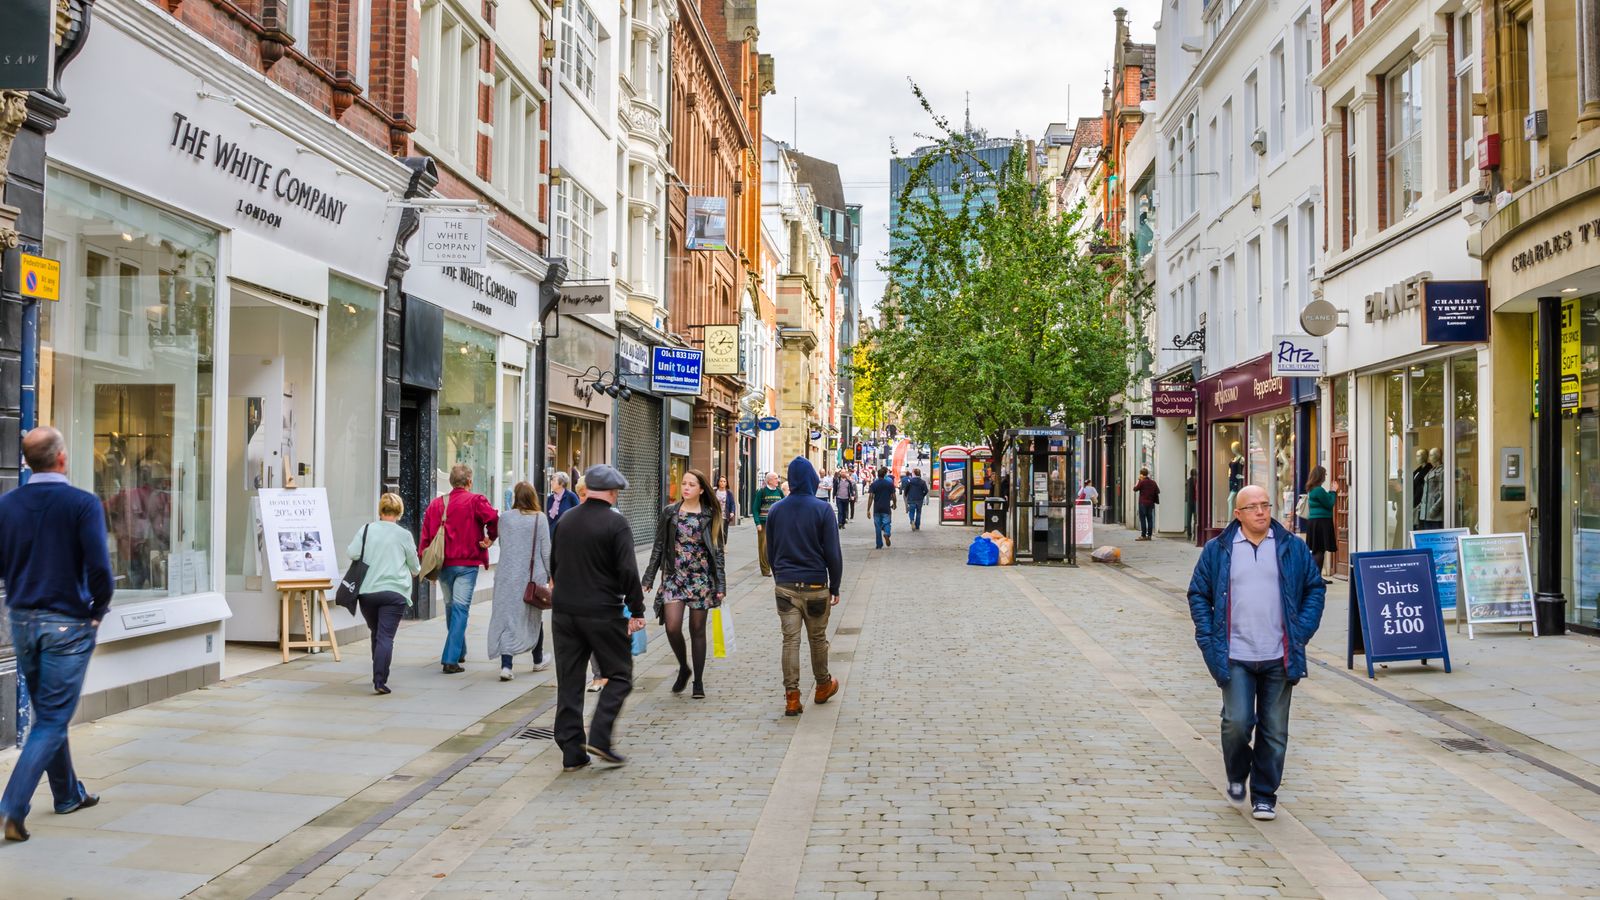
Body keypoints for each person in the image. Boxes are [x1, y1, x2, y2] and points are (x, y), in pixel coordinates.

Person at [0, 428, 114, 842]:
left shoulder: (7, 504)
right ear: (62, 459)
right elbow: (100, 567)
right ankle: (11, 808)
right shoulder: (82, 504)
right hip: (68, 622)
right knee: (51, 717)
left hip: (23, 622)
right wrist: (99, 609)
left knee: (50, 711)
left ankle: (68, 794)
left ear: (29, 462)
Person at [1186, 484, 1325, 822]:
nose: (1262, 512)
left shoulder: (1291, 547)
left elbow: (1315, 589)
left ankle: (1264, 795)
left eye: (1266, 505)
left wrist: (1300, 632)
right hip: (1235, 653)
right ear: (1238, 514)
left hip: (1280, 654)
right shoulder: (1218, 550)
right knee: (1236, 722)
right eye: (1253, 507)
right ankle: (1237, 773)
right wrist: (1207, 637)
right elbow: (1198, 594)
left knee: (1274, 730)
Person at [549, 464, 646, 770]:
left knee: (570, 680)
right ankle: (600, 737)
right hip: (602, 612)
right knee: (619, 675)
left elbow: (555, 564)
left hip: (564, 613)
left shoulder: (566, 520)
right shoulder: (615, 524)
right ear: (614, 493)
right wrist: (637, 610)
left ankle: (572, 751)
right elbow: (628, 571)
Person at [764, 457, 843, 716]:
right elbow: (833, 552)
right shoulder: (822, 510)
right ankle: (822, 686)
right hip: (816, 584)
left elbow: (770, 550)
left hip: (786, 586)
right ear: (812, 479)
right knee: (817, 639)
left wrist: (780, 577)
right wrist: (836, 586)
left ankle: (792, 697)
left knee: (790, 641)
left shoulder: (776, 510)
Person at [642, 470, 727, 699]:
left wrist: (721, 585)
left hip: (700, 578)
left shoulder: (710, 515)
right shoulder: (670, 512)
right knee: (672, 626)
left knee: (697, 630)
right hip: (674, 577)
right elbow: (659, 546)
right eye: (684, 483)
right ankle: (683, 666)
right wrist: (648, 578)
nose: (686, 487)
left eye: (691, 484)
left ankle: (698, 681)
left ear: (701, 489)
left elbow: (717, 553)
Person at [419, 465, 499, 674]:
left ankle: (459, 650)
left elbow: (425, 536)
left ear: (451, 482)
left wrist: (426, 564)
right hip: (466, 564)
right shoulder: (476, 501)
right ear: (469, 482)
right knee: (460, 609)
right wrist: (490, 538)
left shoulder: (436, 505)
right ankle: (450, 659)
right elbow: (493, 519)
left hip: (444, 565)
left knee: (451, 607)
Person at [350, 492, 422, 695]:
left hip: (368, 592)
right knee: (385, 636)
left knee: (377, 633)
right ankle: (380, 679)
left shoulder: (366, 530)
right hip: (394, 592)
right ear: (399, 512)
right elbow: (415, 567)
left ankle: (377, 671)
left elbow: (352, 553)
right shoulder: (404, 535)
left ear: (380, 510)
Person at [489, 482, 552, 681]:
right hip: (532, 577)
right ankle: (538, 659)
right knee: (533, 616)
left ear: (515, 496)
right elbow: (546, 551)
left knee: (508, 617)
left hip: (507, 575)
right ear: (533, 496)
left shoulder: (505, 518)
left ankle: (506, 666)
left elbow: (503, 543)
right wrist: (552, 576)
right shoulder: (539, 519)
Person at [1304, 466, 1339, 582]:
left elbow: (1324, 500)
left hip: (1314, 522)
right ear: (1320, 476)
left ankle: (1316, 576)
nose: (1325, 477)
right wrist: (1333, 491)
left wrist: (1330, 492)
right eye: (1325, 474)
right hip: (1321, 522)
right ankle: (1316, 577)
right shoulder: (1318, 490)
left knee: (1317, 550)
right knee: (1320, 550)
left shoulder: (1312, 489)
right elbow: (1329, 503)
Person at [753, 472, 785, 577]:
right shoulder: (761, 492)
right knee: (764, 547)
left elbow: (784, 506)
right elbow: (755, 508)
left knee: (777, 546)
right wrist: (757, 523)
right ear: (769, 480)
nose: (778, 480)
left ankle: (777, 567)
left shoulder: (779, 492)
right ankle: (765, 570)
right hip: (764, 523)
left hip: (777, 524)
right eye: (776, 478)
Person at [868, 466, 897, 549]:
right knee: (887, 523)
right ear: (885, 474)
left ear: (877, 475)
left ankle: (879, 544)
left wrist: (868, 509)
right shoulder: (889, 484)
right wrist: (894, 504)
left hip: (877, 508)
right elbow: (893, 496)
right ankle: (886, 534)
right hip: (886, 507)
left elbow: (871, 497)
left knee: (877, 526)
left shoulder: (874, 484)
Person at [1133, 468, 1160, 541]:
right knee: (1150, 519)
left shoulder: (1141, 482)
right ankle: (1149, 536)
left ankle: (1143, 535)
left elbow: (1135, 489)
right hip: (1150, 503)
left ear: (1141, 474)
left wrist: (1138, 480)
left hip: (1143, 503)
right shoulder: (1153, 482)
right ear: (1147, 474)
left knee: (1143, 519)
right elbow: (1158, 491)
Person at [1185, 468, 1199, 539]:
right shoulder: (1197, 481)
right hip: (1196, 501)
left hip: (1189, 502)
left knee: (1189, 519)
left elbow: (1187, 492)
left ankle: (1189, 535)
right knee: (1196, 519)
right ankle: (1195, 534)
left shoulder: (1188, 481)